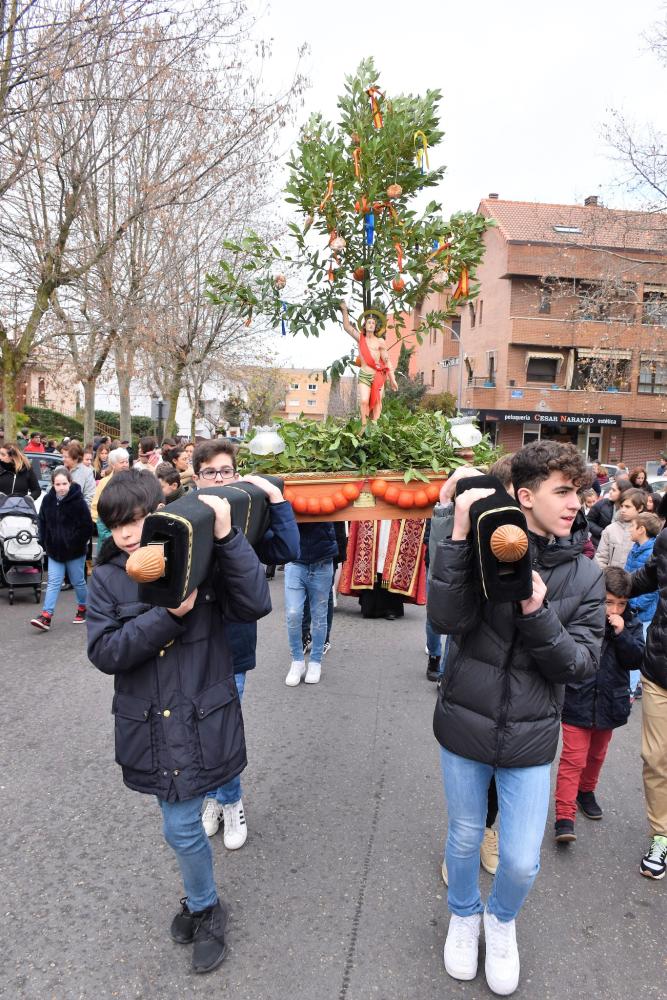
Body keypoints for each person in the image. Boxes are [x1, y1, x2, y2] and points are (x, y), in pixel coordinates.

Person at [428, 440, 605, 996]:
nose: (576, 501)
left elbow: (578, 665)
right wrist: (457, 531)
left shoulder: (586, 577)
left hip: (531, 737)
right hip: (464, 722)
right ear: (524, 496)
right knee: (462, 838)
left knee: (523, 861)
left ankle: (500, 921)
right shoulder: (484, 549)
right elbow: (445, 619)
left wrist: (535, 609)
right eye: (563, 490)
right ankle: (463, 914)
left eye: (578, 491)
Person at [87, 469, 271, 974]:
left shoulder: (200, 566)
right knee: (181, 825)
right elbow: (104, 651)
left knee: (181, 826)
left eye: (136, 520)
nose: (126, 534)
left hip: (197, 716)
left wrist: (226, 537)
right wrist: (168, 615)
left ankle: (206, 906)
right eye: (115, 523)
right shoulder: (105, 579)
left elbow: (256, 602)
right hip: (148, 722)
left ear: (158, 516)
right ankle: (200, 901)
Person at [193, 440, 299, 846]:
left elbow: (288, 549)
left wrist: (275, 499)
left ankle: (230, 801)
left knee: (223, 726)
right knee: (199, 729)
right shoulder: (187, 517)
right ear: (196, 477)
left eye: (226, 471)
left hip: (233, 643)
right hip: (192, 643)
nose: (219, 479)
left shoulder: (246, 516)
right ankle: (213, 798)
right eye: (211, 473)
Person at [554, 566, 644, 842]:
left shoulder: (631, 624)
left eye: (621, 603)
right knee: (573, 759)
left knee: (596, 756)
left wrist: (622, 634)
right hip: (577, 699)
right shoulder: (583, 620)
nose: (614, 609)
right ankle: (564, 815)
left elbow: (635, 659)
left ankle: (586, 791)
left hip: (609, 703)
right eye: (608, 602)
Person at [628, 494, 667, 879]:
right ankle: (661, 835)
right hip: (660, 667)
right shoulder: (665, 538)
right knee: (655, 757)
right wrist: (612, 586)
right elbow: (647, 577)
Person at [30, 467, 93, 631]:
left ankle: (83, 608)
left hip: (74, 551)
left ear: (70, 483)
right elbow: (41, 520)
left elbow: (86, 527)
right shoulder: (48, 500)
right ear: (53, 484)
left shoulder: (78, 502)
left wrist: (74, 543)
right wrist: (44, 541)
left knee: (78, 581)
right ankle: (46, 616)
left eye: (64, 483)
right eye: (58, 484)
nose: (61, 487)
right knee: (53, 582)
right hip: (54, 551)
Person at [339, 518, 427, 619]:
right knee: (371, 557)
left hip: (395, 518)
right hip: (374, 514)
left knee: (393, 559)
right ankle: (370, 606)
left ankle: (391, 608)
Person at [284, 521, 337, 687]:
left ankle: (315, 662)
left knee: (320, 614)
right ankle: (297, 661)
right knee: (293, 613)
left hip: (322, 558)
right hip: (295, 558)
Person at [338, 301, 398, 425]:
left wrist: (392, 379)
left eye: (373, 323)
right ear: (364, 326)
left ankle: (375, 425)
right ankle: (364, 425)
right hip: (365, 374)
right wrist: (344, 310)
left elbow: (387, 361)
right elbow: (347, 327)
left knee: (377, 402)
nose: (371, 324)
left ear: (375, 327)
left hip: (378, 376)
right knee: (364, 400)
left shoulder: (380, 341)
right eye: (368, 323)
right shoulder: (360, 339)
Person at [625, 512, 661, 699]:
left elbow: (652, 589)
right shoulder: (635, 548)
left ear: (641, 529)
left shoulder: (651, 551)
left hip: (643, 613)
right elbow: (629, 576)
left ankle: (631, 689)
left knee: (638, 650)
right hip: (631, 606)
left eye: (632, 526)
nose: (630, 529)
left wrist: (634, 604)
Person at [301, 521, 347, 658]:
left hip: (328, 546)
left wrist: (338, 552)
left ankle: (324, 639)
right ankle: (304, 636)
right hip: (303, 544)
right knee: (304, 594)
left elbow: (338, 520)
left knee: (325, 595)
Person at [595, 487, 647, 570]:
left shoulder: (646, 531)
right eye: (622, 506)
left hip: (635, 580)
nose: (623, 510)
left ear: (640, 508)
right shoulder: (610, 529)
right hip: (612, 580)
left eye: (628, 506)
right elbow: (600, 558)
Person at [91, 448, 131, 547]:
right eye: (122, 462)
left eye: (127, 461)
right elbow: (95, 506)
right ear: (113, 464)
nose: (125, 465)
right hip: (107, 533)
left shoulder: (133, 482)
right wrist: (103, 528)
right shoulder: (104, 482)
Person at [586, 477, 630, 550]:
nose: (610, 492)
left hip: (619, 548)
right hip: (598, 544)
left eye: (613, 490)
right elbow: (589, 521)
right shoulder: (602, 504)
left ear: (623, 493)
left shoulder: (631, 509)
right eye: (611, 489)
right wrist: (602, 532)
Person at [62, 441, 96, 508]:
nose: (63, 459)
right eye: (63, 456)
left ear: (75, 459)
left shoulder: (87, 472)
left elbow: (90, 496)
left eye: (66, 457)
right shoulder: (59, 469)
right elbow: (49, 489)